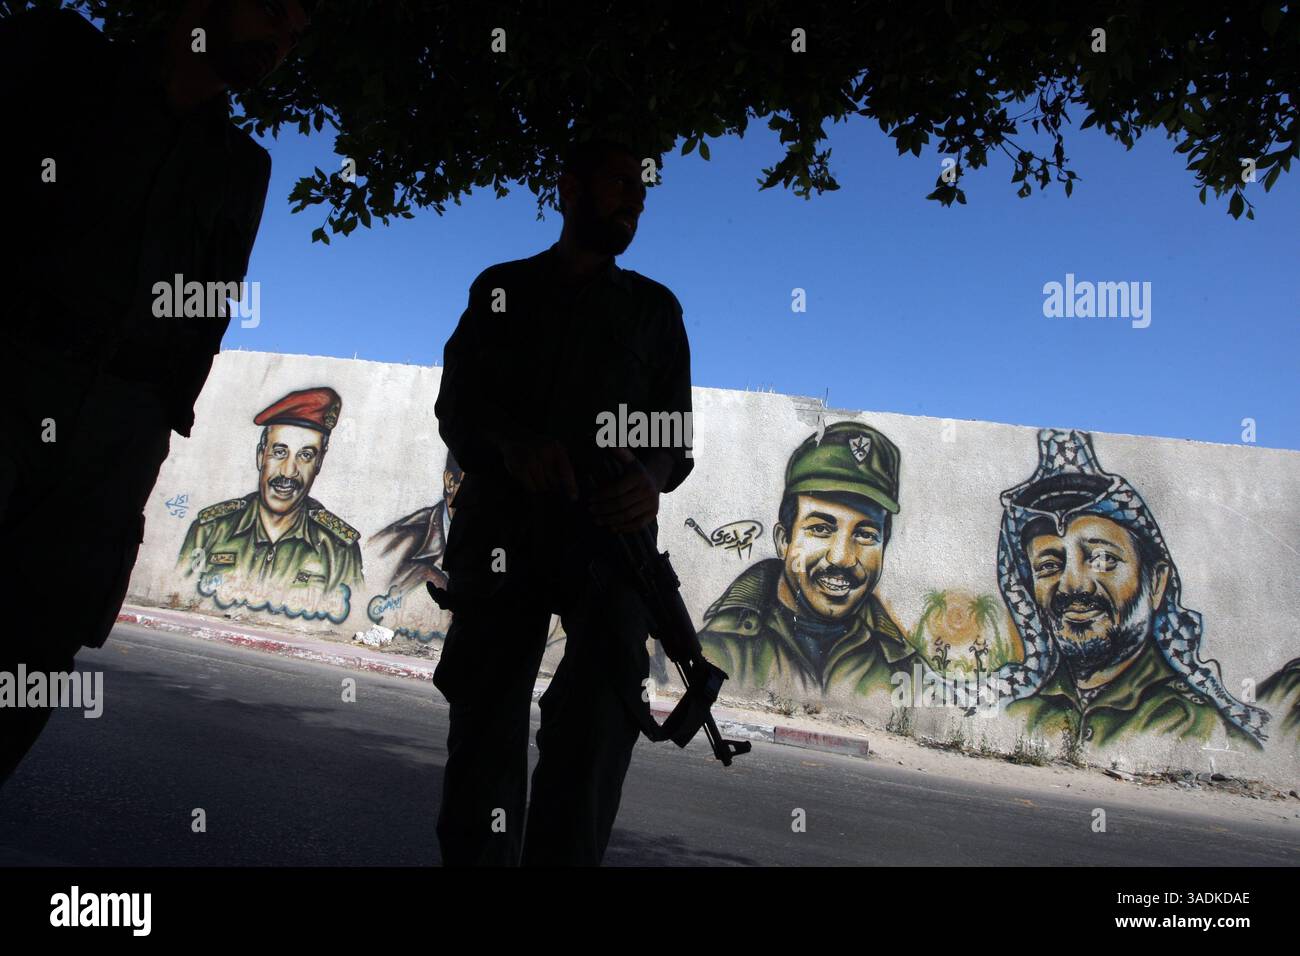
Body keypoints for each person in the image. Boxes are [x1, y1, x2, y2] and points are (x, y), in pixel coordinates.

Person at [0, 0, 312, 786]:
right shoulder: (62, 60)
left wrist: (153, 418)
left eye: (297, 32)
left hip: (114, 436)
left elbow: (211, 304)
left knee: (35, 651)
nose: (282, 40)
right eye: (272, 11)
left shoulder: (242, 166)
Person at [430, 136, 694, 865]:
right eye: (620, 179)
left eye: (643, 187)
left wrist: (650, 480)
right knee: (485, 733)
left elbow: (671, 441)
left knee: (595, 733)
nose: (636, 197)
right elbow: (457, 408)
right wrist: (514, 447)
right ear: (568, 187)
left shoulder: (653, 311)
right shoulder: (500, 289)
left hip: (610, 551)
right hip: (499, 535)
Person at [992, 429, 1270, 750]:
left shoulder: (1193, 723)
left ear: (1155, 582)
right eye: (1049, 566)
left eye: (1101, 559)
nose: (1072, 585)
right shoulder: (1023, 710)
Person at [697, 422, 924, 699]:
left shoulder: (906, 670)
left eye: (865, 534)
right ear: (783, 540)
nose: (842, 558)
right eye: (820, 529)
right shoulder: (720, 648)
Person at [176, 387, 364, 620]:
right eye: (279, 452)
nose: (289, 471)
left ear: (319, 463)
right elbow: (179, 580)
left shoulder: (337, 548)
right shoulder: (211, 529)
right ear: (260, 456)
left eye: (305, 455)